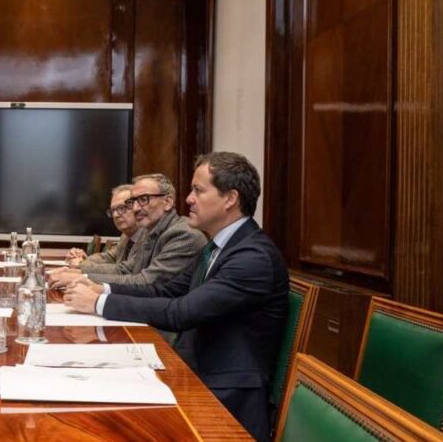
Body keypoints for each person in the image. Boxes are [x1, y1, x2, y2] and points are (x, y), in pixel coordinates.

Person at [62, 152, 288, 441]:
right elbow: (164, 289)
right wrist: (103, 289)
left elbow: (182, 313)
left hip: (224, 394)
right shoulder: (216, 247)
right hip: (191, 369)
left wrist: (98, 304)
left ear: (230, 198)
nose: (188, 199)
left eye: (198, 190)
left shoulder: (252, 257)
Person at [49, 173, 205, 288]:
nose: (136, 208)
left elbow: (146, 281)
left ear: (167, 202)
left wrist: (82, 276)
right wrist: (79, 273)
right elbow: (127, 270)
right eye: (133, 201)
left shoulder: (184, 234)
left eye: (143, 199)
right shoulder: (150, 231)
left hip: (162, 327)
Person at [63, 184, 144, 283]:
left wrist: (80, 265)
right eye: (113, 210)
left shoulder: (148, 237)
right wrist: (83, 258)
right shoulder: (126, 236)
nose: (115, 215)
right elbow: (108, 257)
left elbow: (123, 270)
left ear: (137, 207)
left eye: (122, 208)